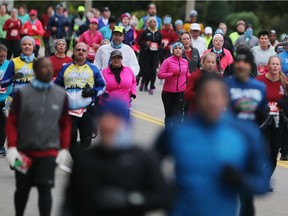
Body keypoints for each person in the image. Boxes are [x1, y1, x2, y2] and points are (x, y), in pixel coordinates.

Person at [155, 73, 270, 216]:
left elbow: (263, 184)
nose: (212, 102)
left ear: (226, 99)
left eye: (217, 96)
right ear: (197, 98)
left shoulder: (245, 133)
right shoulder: (177, 131)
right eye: (206, 95)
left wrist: (242, 180)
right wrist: (164, 192)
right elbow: (148, 166)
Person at [62, 99, 169, 216]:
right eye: (105, 123)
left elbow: (162, 197)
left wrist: (131, 199)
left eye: (116, 124)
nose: (109, 125)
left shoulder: (143, 159)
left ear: (127, 126)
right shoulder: (85, 159)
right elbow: (70, 201)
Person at [5, 57, 71, 216]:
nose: (48, 69)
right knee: (22, 189)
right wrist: (12, 147)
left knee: (45, 189)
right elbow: (12, 122)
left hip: (48, 154)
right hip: (23, 154)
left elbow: (65, 124)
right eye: (43, 67)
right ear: (35, 70)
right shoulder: (22, 94)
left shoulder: (60, 94)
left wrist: (63, 148)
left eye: (49, 67)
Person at [226, 48, 269, 216]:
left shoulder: (259, 87)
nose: (241, 65)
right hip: (228, 141)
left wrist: (260, 120)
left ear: (251, 65)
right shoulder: (226, 85)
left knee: (247, 194)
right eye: (239, 61)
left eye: (245, 62)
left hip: (251, 144)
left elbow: (263, 111)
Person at [55, 42, 106, 159]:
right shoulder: (65, 68)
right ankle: (78, 162)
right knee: (70, 140)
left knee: (86, 141)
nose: (80, 52)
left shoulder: (93, 68)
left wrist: (93, 92)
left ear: (87, 53)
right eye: (78, 50)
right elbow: (56, 86)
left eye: (83, 50)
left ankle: (79, 160)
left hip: (87, 111)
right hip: (69, 111)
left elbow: (102, 86)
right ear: (73, 52)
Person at [256, 56, 288, 166]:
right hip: (263, 120)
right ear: (268, 66)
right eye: (273, 64)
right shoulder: (260, 81)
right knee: (264, 150)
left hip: (279, 121)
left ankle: (265, 180)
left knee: (273, 153)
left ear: (280, 67)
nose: (275, 66)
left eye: (277, 64)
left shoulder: (284, 83)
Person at [157, 42, 189, 126]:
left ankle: (176, 134)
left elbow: (187, 75)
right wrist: (171, 74)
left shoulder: (185, 62)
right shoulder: (167, 61)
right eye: (176, 48)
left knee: (178, 114)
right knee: (169, 115)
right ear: (173, 50)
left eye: (180, 48)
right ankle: (168, 133)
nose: (178, 50)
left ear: (182, 51)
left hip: (181, 91)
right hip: (168, 92)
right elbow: (160, 75)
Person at [138, 17, 162, 94]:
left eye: (154, 22)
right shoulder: (145, 32)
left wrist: (160, 45)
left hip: (155, 54)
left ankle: (151, 86)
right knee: (146, 69)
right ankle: (143, 83)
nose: (152, 23)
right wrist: (146, 43)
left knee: (153, 70)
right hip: (146, 53)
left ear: (156, 23)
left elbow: (160, 43)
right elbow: (139, 41)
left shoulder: (158, 33)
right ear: (148, 23)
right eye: (151, 22)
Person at [0, 45, 11, 156]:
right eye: (0, 56)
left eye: (4, 56)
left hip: (5, 99)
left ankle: (1, 146)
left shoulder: (9, 64)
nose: (2, 58)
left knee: (3, 123)